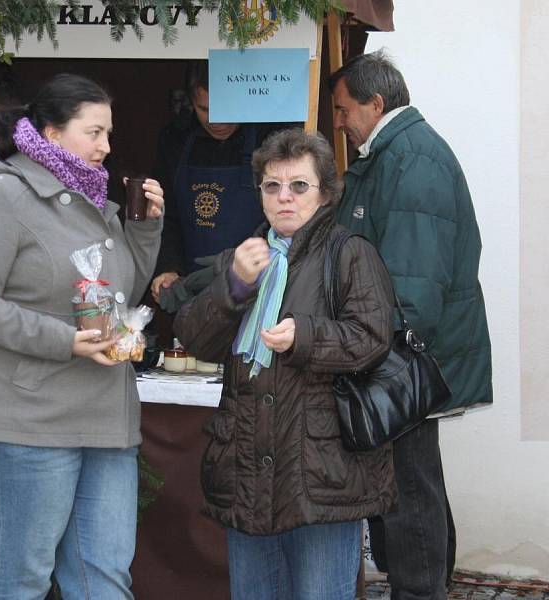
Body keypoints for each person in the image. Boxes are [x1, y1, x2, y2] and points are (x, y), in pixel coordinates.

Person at [0, 73, 164, 600]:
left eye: (109, 134)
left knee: (103, 577)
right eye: (94, 132)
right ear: (51, 132)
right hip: (23, 419)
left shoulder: (97, 202)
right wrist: (62, 339)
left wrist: (145, 227)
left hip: (105, 418)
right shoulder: (0, 196)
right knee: (21, 580)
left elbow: (121, 291)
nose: (107, 147)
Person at [173, 129, 398, 600]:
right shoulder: (245, 255)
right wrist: (234, 287)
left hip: (321, 470)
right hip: (248, 465)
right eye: (272, 186)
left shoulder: (349, 252)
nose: (284, 198)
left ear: (326, 194)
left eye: (299, 186)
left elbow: (373, 340)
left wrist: (307, 336)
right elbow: (194, 336)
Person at [329, 50, 493, 600]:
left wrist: (376, 354)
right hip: (411, 353)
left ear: (376, 104)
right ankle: (429, 585)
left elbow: (415, 282)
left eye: (344, 109)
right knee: (416, 483)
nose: (340, 122)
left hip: (407, 358)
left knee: (406, 490)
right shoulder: (398, 153)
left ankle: (421, 592)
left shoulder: (412, 159)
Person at [150, 60, 276, 311]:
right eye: (205, 109)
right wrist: (168, 268)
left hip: (258, 287)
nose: (217, 120)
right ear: (191, 101)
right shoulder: (175, 142)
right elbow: (166, 216)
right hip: (193, 293)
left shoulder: (269, 141)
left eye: (227, 108)